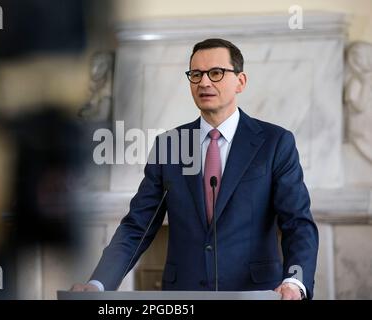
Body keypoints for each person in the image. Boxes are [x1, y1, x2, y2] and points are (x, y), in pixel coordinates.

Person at [72, 38, 318, 300]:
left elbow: (298, 223)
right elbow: (137, 226)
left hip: (255, 292)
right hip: (183, 295)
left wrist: (295, 281)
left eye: (216, 73)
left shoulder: (275, 142)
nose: (204, 82)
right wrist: (98, 284)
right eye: (196, 74)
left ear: (241, 81)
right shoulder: (169, 145)